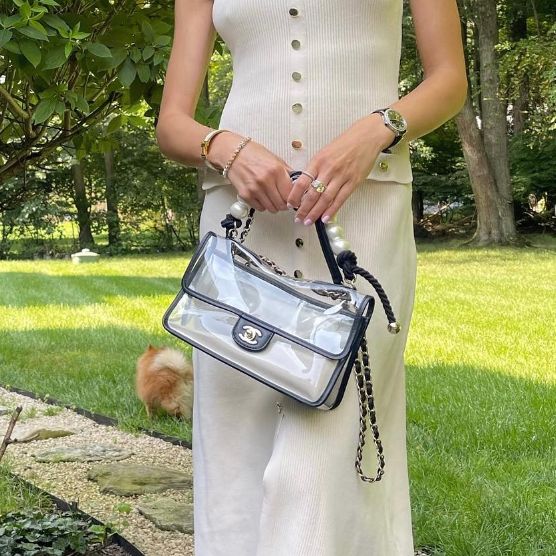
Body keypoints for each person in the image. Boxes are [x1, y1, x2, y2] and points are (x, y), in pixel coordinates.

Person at [156, 0, 467, 554]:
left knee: (332, 451)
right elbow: (172, 124)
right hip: (241, 226)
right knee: (234, 456)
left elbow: (448, 80)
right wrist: (226, 148)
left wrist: (379, 129)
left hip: (364, 216)